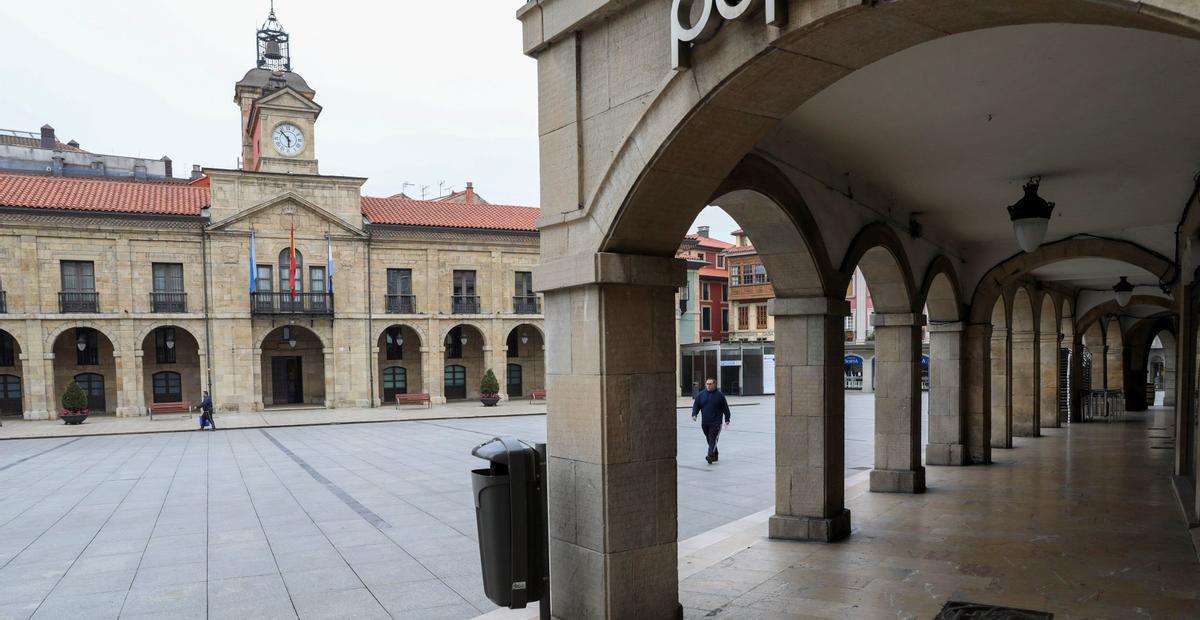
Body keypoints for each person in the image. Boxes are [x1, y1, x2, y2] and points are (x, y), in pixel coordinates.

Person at [691, 378, 730, 464]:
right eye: (707, 384)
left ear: (714, 384)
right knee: (709, 439)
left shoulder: (720, 395)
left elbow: (725, 408)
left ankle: (710, 455)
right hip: (705, 422)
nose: (708, 385)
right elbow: (696, 405)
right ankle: (715, 455)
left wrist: (727, 419)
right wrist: (694, 414)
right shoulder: (701, 395)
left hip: (716, 422)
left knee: (712, 439)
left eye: (710, 384)